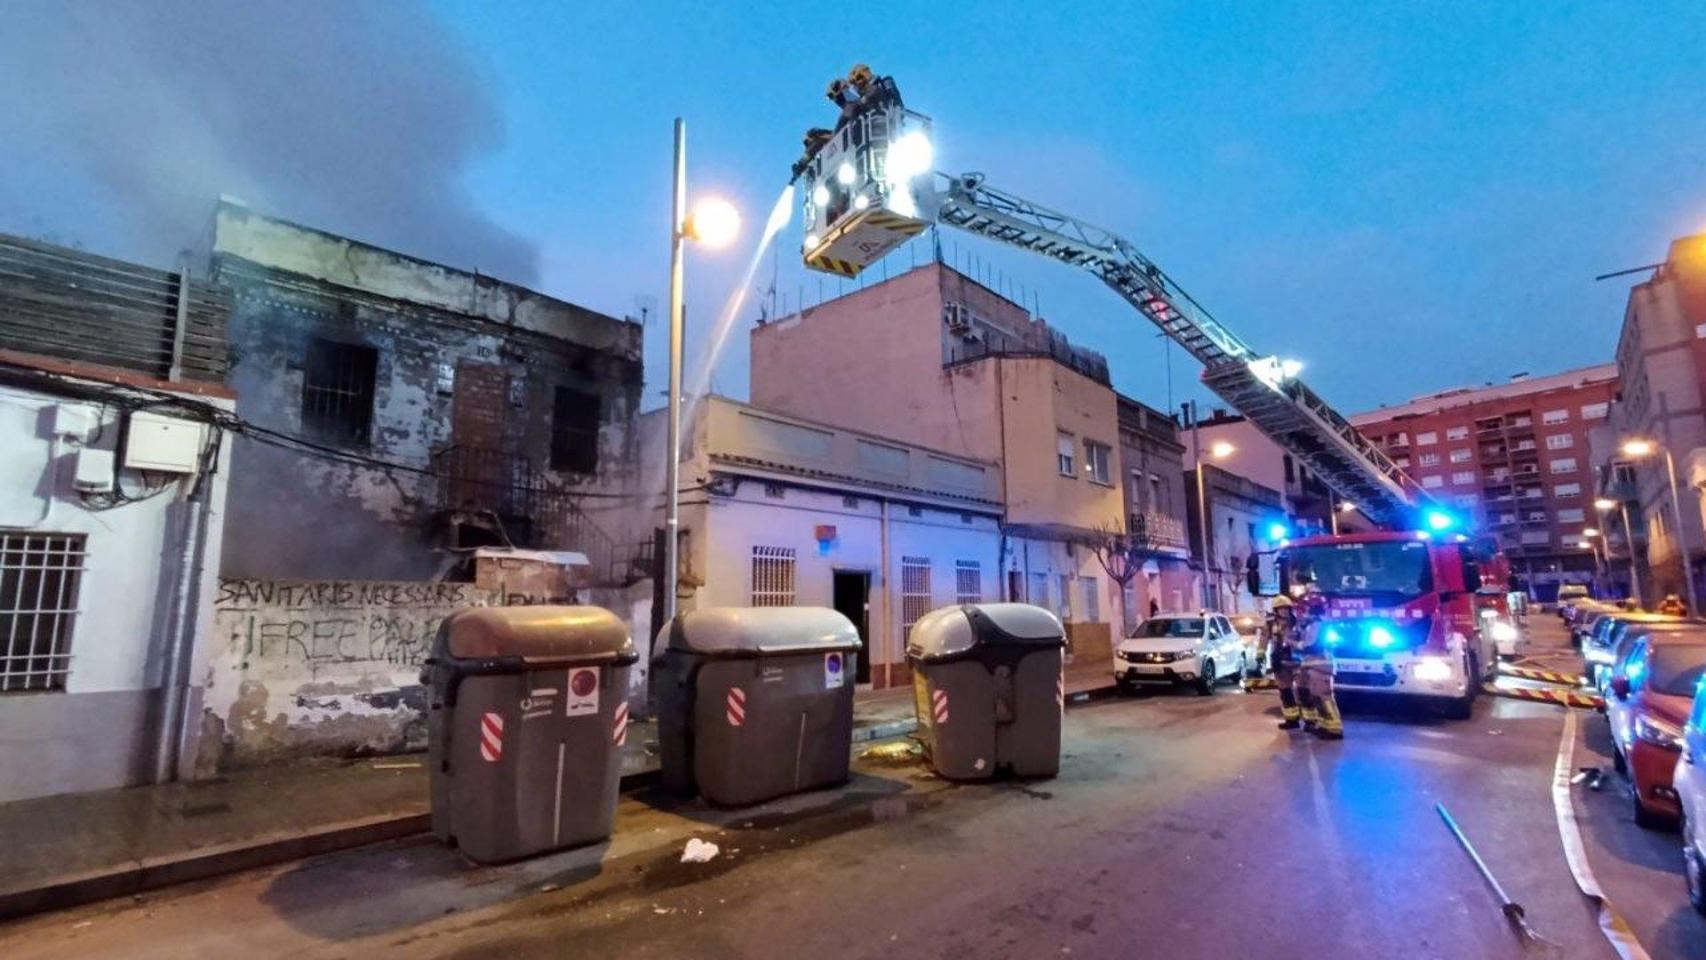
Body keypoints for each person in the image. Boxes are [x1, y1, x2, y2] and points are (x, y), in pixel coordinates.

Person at [1294, 585, 1344, 740]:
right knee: (1317, 697)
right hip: (1314, 665)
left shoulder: (1317, 625)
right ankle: (1325, 725)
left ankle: (1334, 728)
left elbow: (1309, 646)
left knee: (1323, 697)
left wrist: (1292, 643)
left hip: (1320, 666)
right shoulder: (1315, 624)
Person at [1264, 595, 1305, 730]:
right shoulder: (1271, 623)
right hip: (1280, 660)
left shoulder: (1298, 622)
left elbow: (1304, 639)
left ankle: (1310, 721)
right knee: (1285, 691)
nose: (1284, 611)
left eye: (1286, 608)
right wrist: (1260, 654)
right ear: (1276, 610)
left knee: (1303, 691)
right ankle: (1291, 720)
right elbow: (1264, 638)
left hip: (1296, 661)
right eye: (1281, 609)